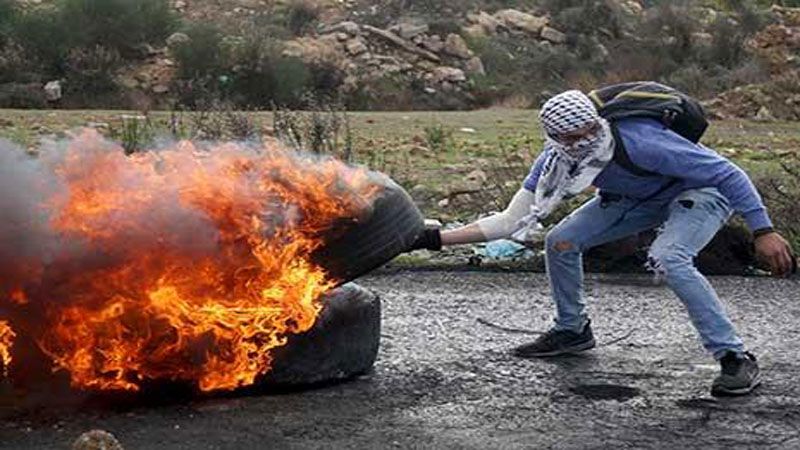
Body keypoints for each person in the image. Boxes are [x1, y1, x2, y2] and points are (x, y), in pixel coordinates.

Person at [410, 89, 796, 397]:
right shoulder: (555, 161)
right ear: (555, 138)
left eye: (591, 131)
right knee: (561, 241)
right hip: (636, 199)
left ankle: (734, 357)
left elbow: (728, 172)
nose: (587, 141)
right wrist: (434, 239)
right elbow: (511, 221)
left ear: (597, 122)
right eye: (573, 137)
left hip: (700, 192)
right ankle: (572, 330)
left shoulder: (640, 141)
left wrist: (763, 230)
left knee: (669, 257)